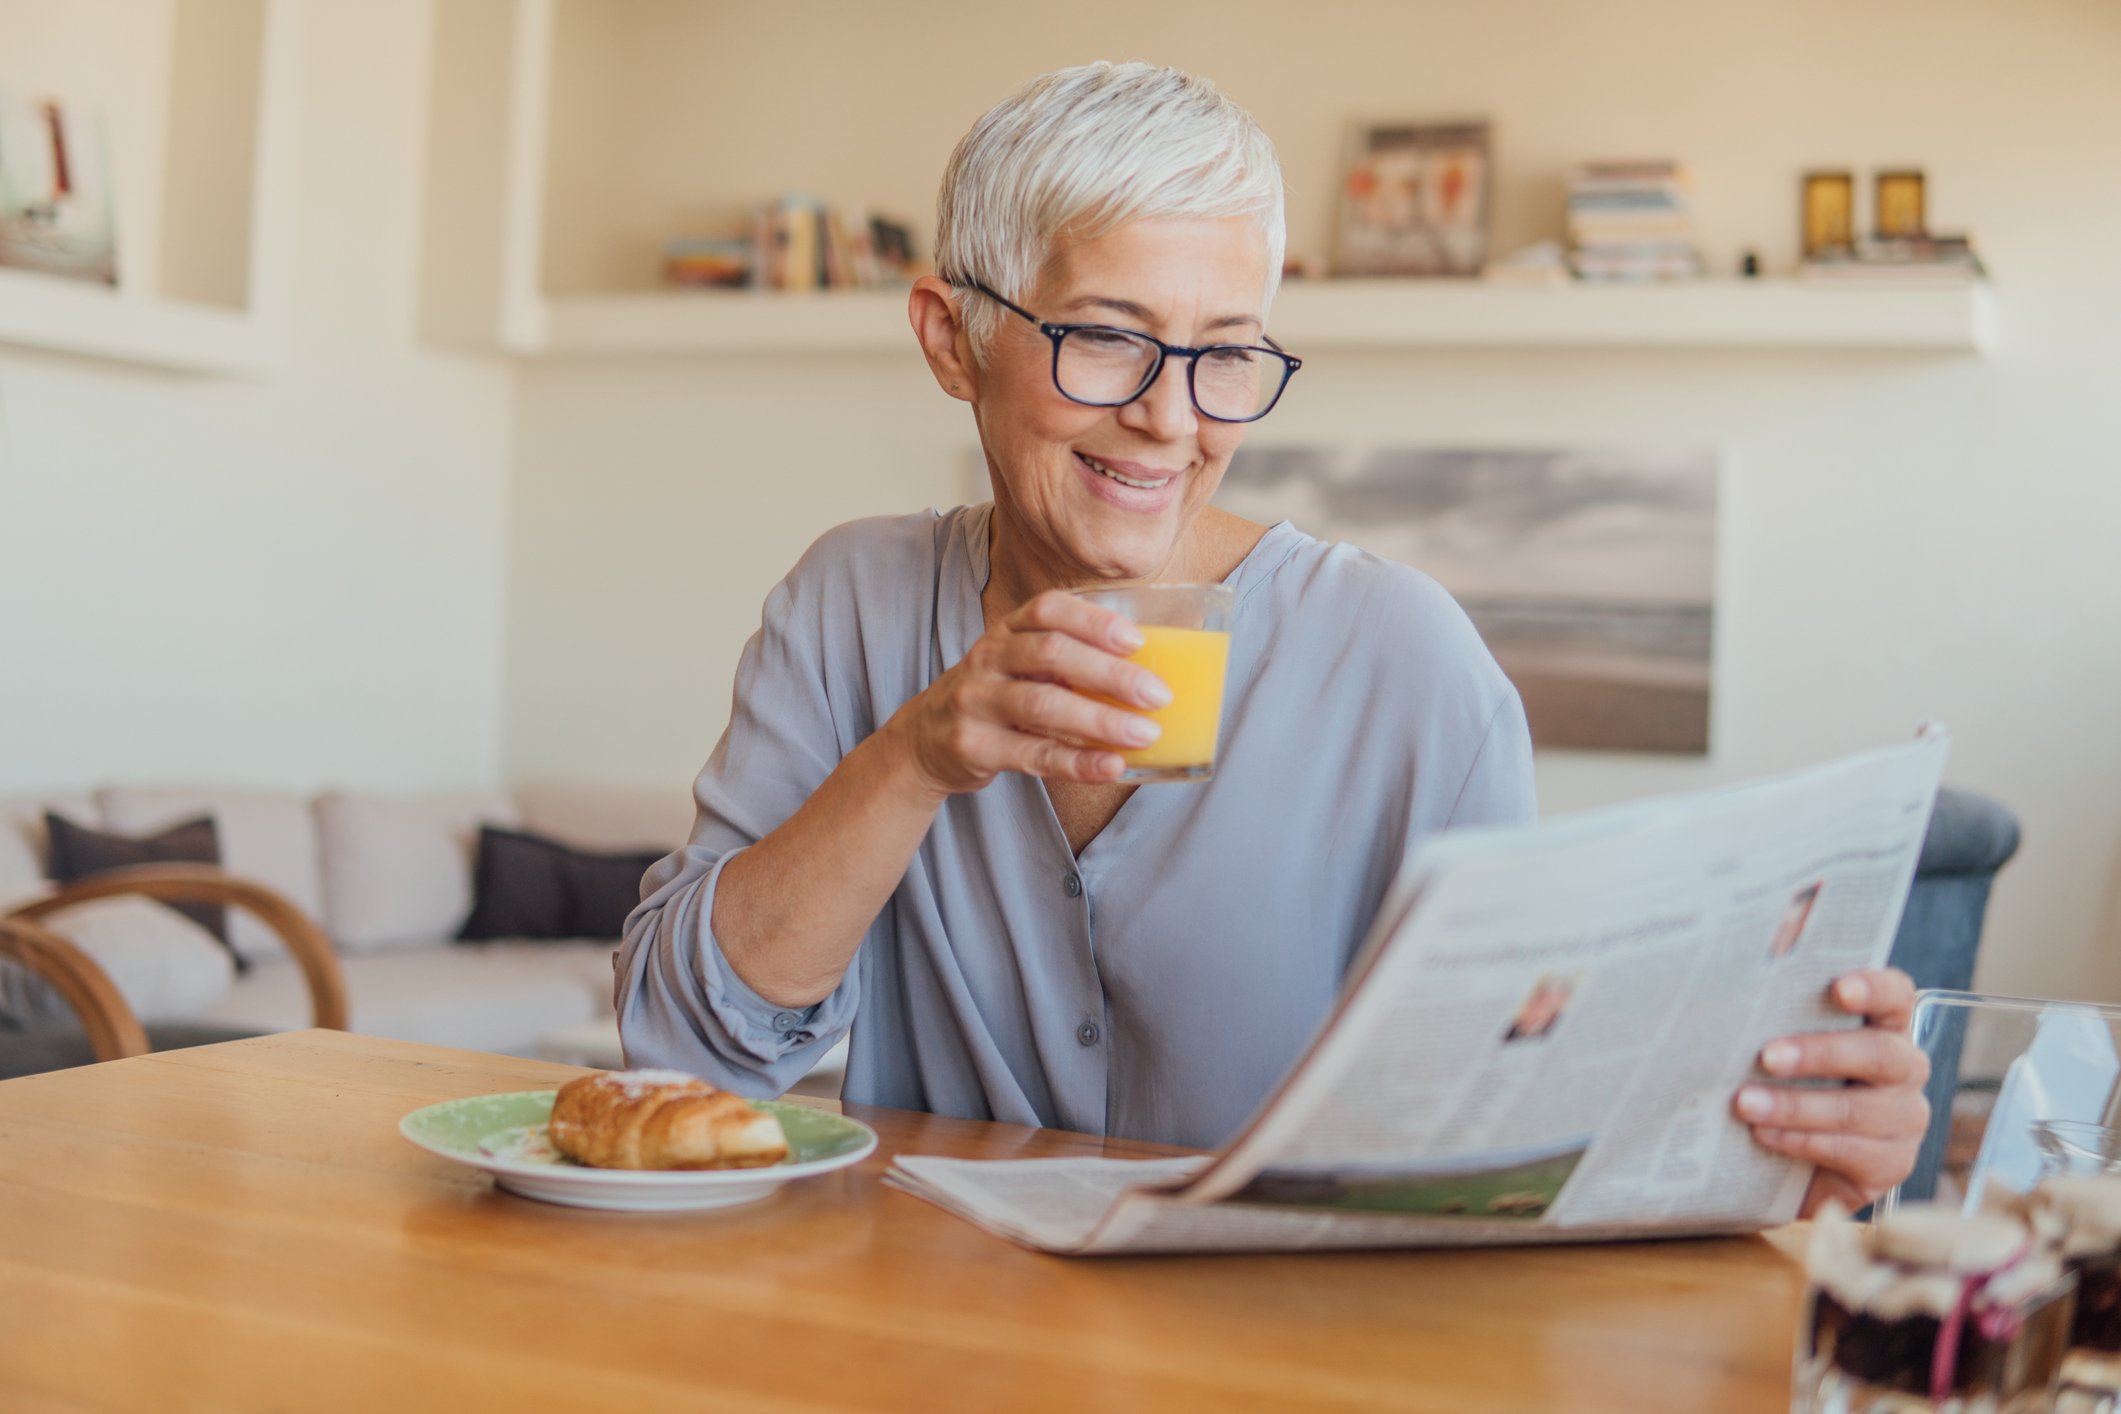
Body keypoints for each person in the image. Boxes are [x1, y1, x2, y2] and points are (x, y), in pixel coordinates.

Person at [616, 62, 1929, 1215]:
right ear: (951, 338)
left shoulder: (1403, 662)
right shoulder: (849, 604)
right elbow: (687, 1049)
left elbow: (1511, 1115)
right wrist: (912, 758)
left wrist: (1784, 1143)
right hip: (928, 1339)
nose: (1169, 419)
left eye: (1224, 353)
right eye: (1105, 340)